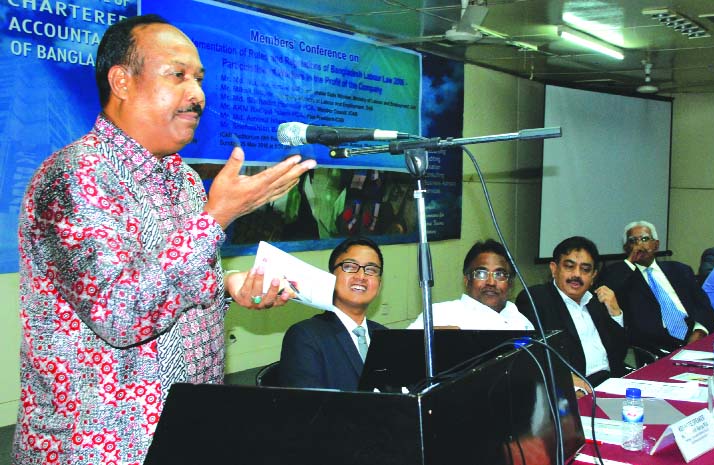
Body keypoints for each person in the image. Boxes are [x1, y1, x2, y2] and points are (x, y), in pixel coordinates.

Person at [14, 15, 317, 464]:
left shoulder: (186, 182)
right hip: (102, 447)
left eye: (198, 79)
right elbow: (119, 313)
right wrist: (218, 216)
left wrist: (229, 285)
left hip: (190, 430)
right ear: (121, 81)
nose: (196, 94)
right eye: (177, 75)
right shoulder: (75, 176)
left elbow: (175, 283)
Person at [516, 236, 626, 388]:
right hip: (573, 389)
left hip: (611, 382)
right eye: (569, 266)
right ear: (554, 269)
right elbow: (532, 355)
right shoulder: (536, 299)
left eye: (585, 269)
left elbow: (619, 353)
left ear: (593, 276)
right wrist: (566, 381)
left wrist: (616, 313)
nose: (577, 275)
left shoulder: (595, 301)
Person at [279, 236, 386, 390]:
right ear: (331, 277)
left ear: (379, 284)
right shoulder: (306, 336)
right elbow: (306, 407)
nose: (361, 276)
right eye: (349, 266)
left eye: (371, 270)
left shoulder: (383, 335)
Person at [600, 221, 714, 357]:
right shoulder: (622, 275)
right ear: (626, 248)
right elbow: (607, 290)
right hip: (659, 346)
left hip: (695, 336)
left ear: (656, 244)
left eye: (644, 239)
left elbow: (704, 306)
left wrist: (699, 332)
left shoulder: (679, 269)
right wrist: (630, 260)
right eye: (633, 241)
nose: (640, 245)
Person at [407, 239, 534, 330]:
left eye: (499, 275)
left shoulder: (522, 323)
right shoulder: (439, 314)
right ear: (467, 280)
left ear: (510, 284)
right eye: (481, 274)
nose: (491, 282)